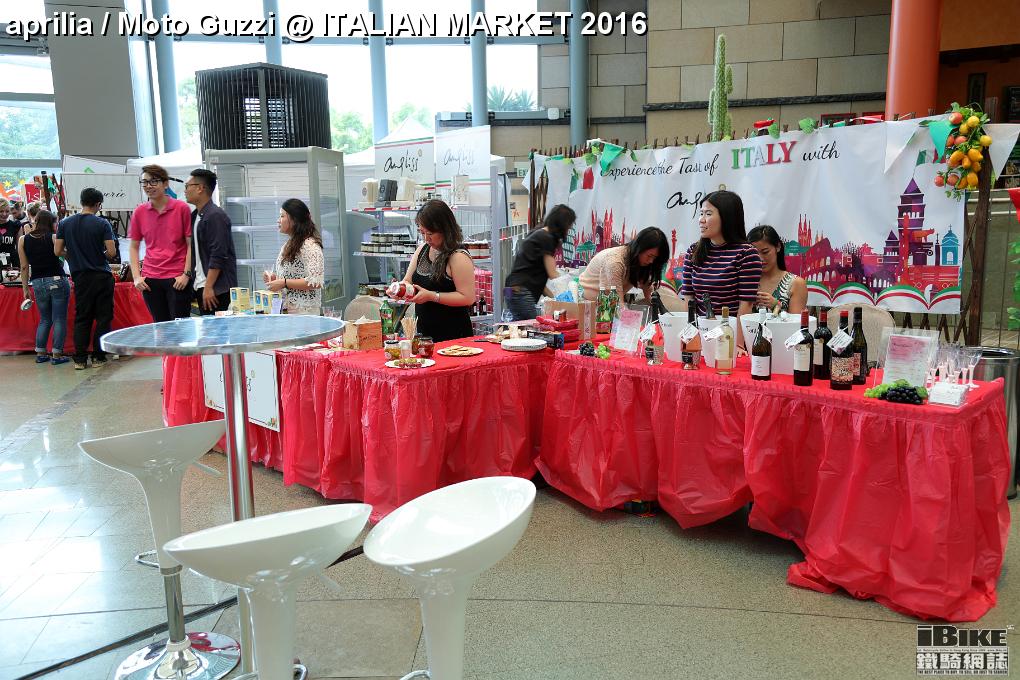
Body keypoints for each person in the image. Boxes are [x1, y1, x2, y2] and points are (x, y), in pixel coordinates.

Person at [680, 190, 763, 352]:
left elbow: (746, 305)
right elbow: (689, 300)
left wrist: (737, 344)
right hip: (700, 337)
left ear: (727, 217)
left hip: (730, 336)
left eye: (708, 214)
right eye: (701, 213)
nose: (701, 219)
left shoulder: (747, 253)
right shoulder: (693, 251)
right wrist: (689, 337)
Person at [55, 188, 117, 370]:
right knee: (103, 317)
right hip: (101, 276)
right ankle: (98, 357)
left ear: (81, 202)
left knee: (82, 317)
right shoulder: (103, 224)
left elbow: (57, 251)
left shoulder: (65, 223)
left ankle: (80, 359)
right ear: (98, 204)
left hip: (80, 277)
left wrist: (72, 256)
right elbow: (112, 252)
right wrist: (99, 255)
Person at [399, 199, 475, 342]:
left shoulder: (458, 257)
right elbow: (408, 280)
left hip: (454, 336)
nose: (426, 238)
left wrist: (432, 296)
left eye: (430, 233)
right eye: (422, 233)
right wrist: (400, 289)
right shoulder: (422, 250)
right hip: (425, 335)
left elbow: (468, 298)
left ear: (445, 229)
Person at [128, 164, 193, 321]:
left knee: (180, 326)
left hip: (177, 278)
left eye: (153, 181)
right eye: (145, 182)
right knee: (159, 326)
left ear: (165, 184)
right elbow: (134, 246)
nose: (148, 186)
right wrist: (136, 277)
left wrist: (186, 274)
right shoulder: (139, 212)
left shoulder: (181, 208)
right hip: (150, 279)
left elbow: (191, 244)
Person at [504, 204, 574, 320]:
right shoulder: (547, 238)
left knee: (520, 325)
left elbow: (537, 281)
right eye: (569, 227)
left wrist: (554, 298)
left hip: (511, 290)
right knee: (531, 326)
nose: (568, 231)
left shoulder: (537, 233)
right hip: (521, 292)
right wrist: (569, 293)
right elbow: (553, 274)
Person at [18, 210, 70, 365]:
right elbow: (65, 255)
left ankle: (41, 353)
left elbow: (24, 267)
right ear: (52, 223)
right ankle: (57, 355)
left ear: (36, 221)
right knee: (59, 319)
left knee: (45, 319)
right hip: (57, 279)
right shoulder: (53, 238)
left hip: (37, 282)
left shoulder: (23, 240)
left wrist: (25, 288)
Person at [184, 169, 236, 314]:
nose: (185, 190)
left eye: (187, 186)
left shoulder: (215, 216)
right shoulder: (196, 215)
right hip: (202, 286)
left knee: (217, 328)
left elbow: (218, 254)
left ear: (200, 188)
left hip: (216, 289)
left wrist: (208, 287)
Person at [263, 198, 324, 315]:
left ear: (294, 219)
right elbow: (292, 277)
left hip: (304, 314)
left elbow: (316, 281)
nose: (278, 220)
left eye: (282, 216)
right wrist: (275, 280)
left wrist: (284, 282)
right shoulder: (289, 244)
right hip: (287, 311)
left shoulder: (310, 245)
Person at [579, 226, 670, 303]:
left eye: (655, 258)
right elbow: (616, 303)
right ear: (639, 248)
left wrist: (655, 306)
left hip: (605, 304)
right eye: (649, 256)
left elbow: (648, 288)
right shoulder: (615, 262)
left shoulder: (639, 262)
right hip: (586, 304)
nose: (651, 261)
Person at [747, 224, 807, 314]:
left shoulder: (796, 283)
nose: (760, 258)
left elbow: (797, 321)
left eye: (765, 252)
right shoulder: (746, 281)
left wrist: (776, 306)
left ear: (778, 247)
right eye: (754, 254)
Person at [0, 198, 20, 269]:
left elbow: (19, 249)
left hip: (11, 264)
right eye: (1, 211)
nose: (4, 214)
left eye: (7, 211)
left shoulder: (16, 226)